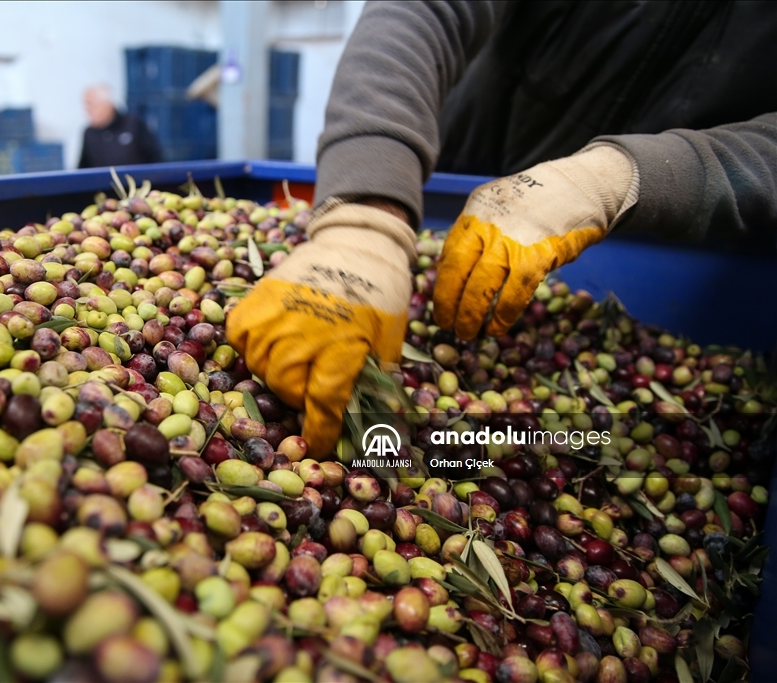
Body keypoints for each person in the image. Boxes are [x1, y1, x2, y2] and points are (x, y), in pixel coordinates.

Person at [227, 1, 777, 458]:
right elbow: (423, 11)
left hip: (695, 239)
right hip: (453, 173)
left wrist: (626, 177)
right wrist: (367, 212)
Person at [77, 85, 162, 168]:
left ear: (106, 105)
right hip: (104, 182)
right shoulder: (89, 134)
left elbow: (155, 158)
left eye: (91, 105)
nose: (88, 111)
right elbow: (83, 168)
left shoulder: (133, 125)